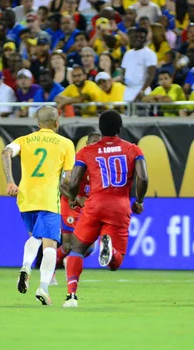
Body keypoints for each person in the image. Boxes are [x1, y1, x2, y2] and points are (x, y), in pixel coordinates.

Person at [63, 110, 148, 307]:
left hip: (94, 204)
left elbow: (74, 180)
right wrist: (140, 201)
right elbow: (143, 178)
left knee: (77, 248)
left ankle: (71, 296)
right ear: (120, 128)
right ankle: (110, 252)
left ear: (100, 129)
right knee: (116, 263)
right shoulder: (133, 149)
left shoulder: (86, 151)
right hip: (119, 206)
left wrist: (74, 197)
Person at [1, 106, 76, 306]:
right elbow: (68, 179)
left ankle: (26, 265)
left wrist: (10, 181)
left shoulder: (25, 140)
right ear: (57, 123)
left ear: (38, 123)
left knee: (35, 237)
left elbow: (5, 152)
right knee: (50, 244)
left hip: (25, 198)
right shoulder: (66, 143)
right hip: (49, 199)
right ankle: (43, 287)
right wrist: (73, 197)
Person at [56, 131, 102, 269]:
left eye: (99, 145)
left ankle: (69, 261)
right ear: (87, 145)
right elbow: (62, 185)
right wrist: (75, 197)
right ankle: (50, 271)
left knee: (89, 247)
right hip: (71, 204)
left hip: (88, 207)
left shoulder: (101, 163)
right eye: (93, 144)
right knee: (68, 245)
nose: (96, 148)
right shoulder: (77, 161)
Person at [121, 27, 157, 101]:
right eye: (136, 37)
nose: (138, 39)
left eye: (141, 37)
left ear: (145, 39)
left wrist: (142, 90)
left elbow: (151, 75)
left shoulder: (150, 53)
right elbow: (123, 72)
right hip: (128, 91)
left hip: (142, 90)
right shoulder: (127, 54)